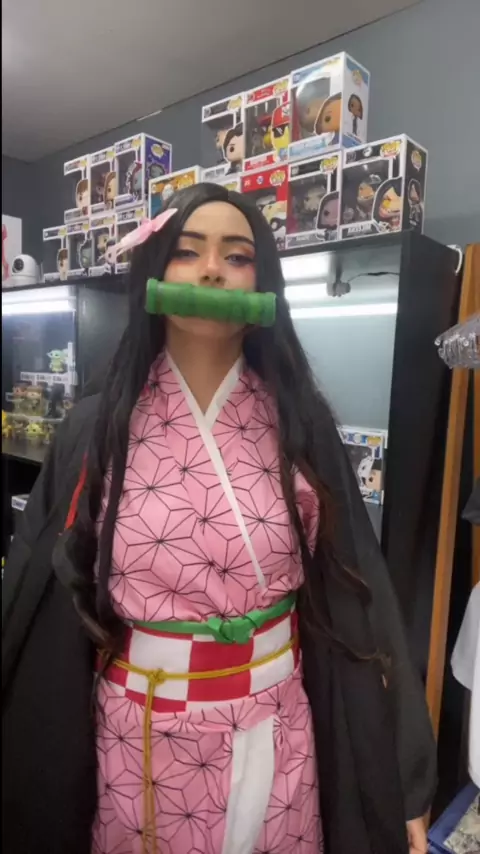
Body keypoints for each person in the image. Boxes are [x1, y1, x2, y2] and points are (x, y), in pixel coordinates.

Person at [2, 183, 435, 854]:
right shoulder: (96, 427)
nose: (211, 270)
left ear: (262, 283)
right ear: (156, 272)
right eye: (187, 252)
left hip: (276, 724)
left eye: (237, 256)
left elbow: (359, 588)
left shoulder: (300, 424)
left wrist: (402, 771)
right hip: (141, 735)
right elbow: (45, 584)